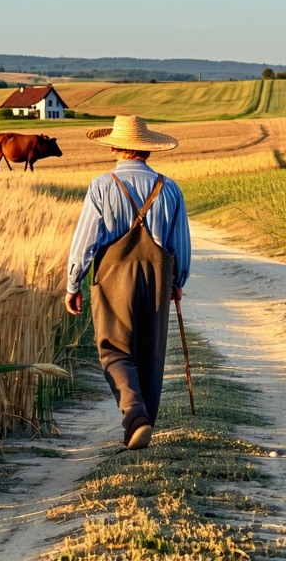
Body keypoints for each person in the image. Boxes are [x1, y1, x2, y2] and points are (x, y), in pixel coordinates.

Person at [65, 115, 191, 450]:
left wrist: (73, 283)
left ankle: (134, 414)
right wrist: (178, 281)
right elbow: (181, 243)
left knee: (114, 348)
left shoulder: (102, 186)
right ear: (147, 150)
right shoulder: (170, 188)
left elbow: (86, 240)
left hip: (112, 276)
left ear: (115, 147)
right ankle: (144, 419)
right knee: (151, 351)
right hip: (158, 276)